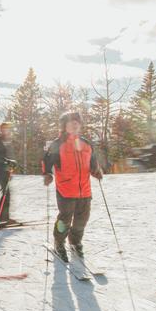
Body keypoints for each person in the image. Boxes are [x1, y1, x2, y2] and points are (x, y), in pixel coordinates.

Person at [42, 112, 102, 262]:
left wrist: (96, 171)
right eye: (71, 122)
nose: (74, 125)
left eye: (77, 122)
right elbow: (46, 161)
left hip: (85, 190)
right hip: (66, 189)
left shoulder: (86, 143)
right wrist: (47, 174)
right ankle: (59, 243)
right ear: (64, 126)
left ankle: (75, 242)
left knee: (82, 219)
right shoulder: (58, 144)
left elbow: (93, 161)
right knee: (65, 219)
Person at [0, 122, 18, 227]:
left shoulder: (8, 140)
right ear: (1, 130)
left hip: (5, 170)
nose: (6, 130)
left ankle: (3, 218)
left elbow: (9, 154)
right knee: (6, 193)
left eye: (8, 128)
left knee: (6, 193)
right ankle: (2, 218)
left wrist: (12, 162)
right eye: (4, 129)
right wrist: (7, 161)